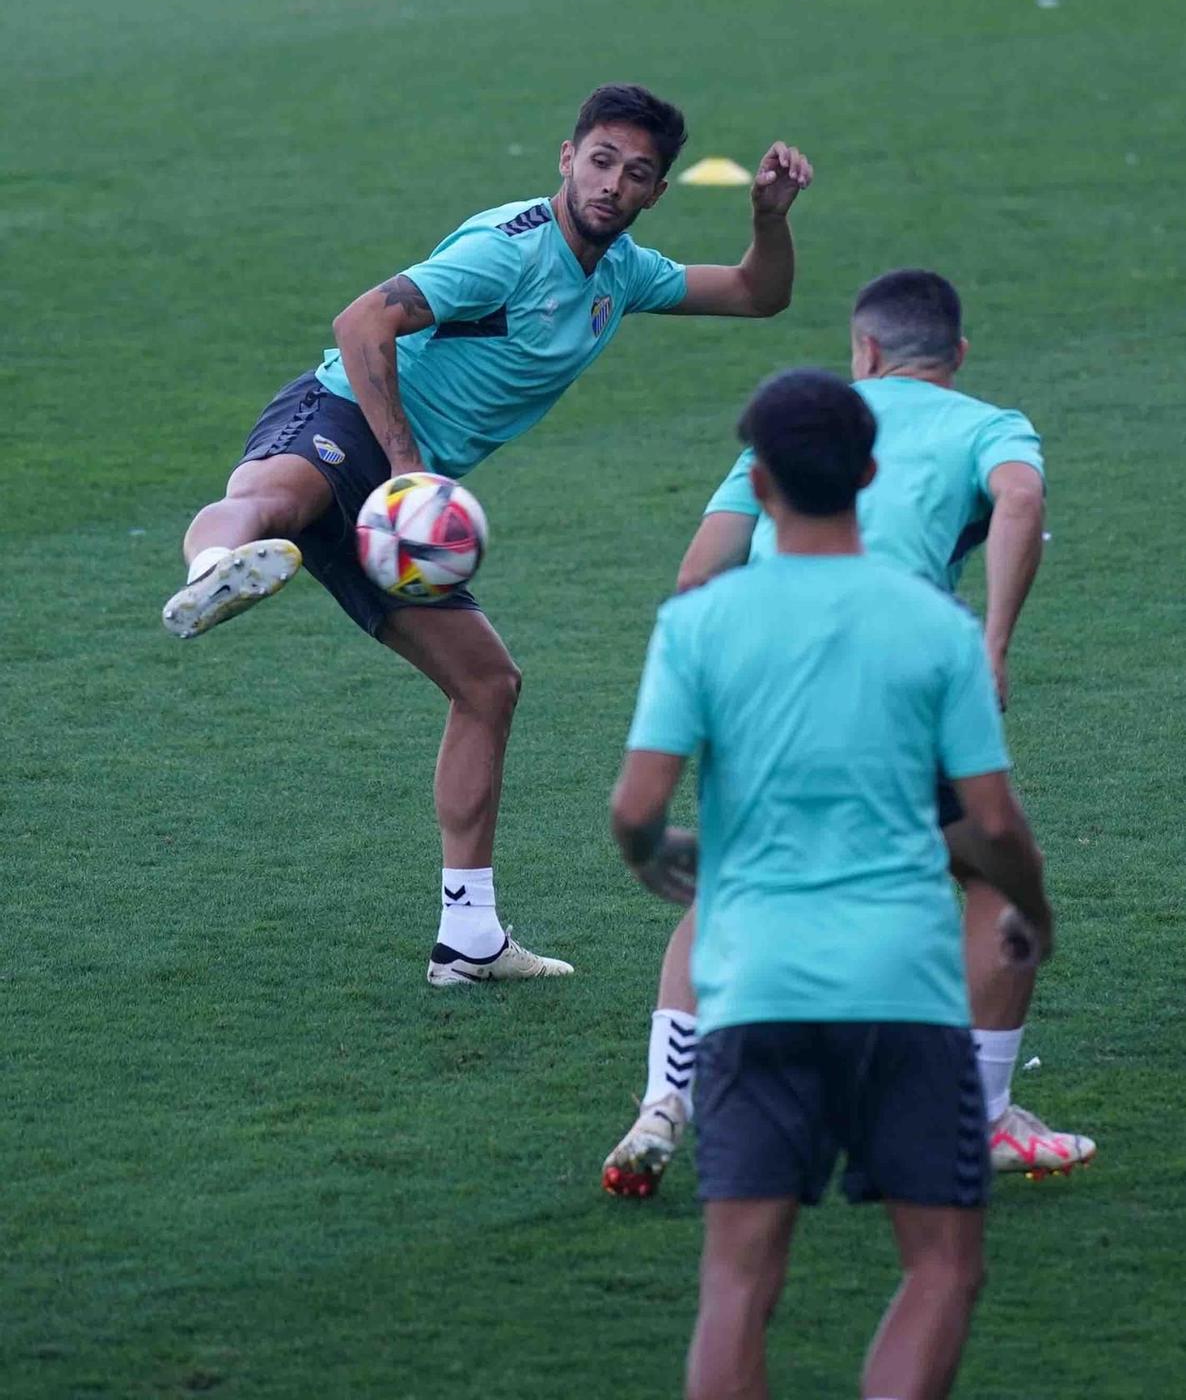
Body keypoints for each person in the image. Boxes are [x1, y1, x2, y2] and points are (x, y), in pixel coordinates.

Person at [161, 83, 814, 985]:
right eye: (599, 161)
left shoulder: (620, 276)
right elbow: (362, 321)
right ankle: (211, 572)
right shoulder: (505, 250)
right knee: (277, 498)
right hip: (352, 419)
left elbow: (755, 295)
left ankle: (468, 937)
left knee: (489, 685)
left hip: (410, 502)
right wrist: (404, 467)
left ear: (657, 191)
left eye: (637, 174)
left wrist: (769, 218)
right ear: (565, 157)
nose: (612, 185)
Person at [610, 368, 1054, 1400]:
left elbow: (636, 807)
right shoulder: (933, 624)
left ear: (756, 481)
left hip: (756, 987)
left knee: (735, 1282)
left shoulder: (699, 624)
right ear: (866, 472)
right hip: (900, 990)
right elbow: (988, 819)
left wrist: (653, 852)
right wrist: (1031, 907)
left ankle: (654, 1104)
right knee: (940, 1265)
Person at [604, 269, 1093, 1186]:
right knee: (996, 877)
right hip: (899, 669)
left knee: (738, 872)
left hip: (759, 673)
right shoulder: (987, 424)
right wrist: (990, 645)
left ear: (864, 352)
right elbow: (1021, 500)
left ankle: (663, 1103)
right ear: (958, 354)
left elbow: (696, 578)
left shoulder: (788, 438)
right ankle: (979, 1110)